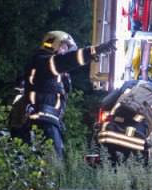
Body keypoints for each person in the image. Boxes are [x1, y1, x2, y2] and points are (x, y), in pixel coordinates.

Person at [17, 30, 114, 159]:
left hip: (44, 120)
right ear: (54, 44)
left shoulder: (44, 66)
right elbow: (67, 60)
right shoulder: (43, 62)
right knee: (55, 162)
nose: (65, 52)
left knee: (47, 160)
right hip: (43, 121)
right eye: (64, 47)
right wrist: (95, 51)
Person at [98, 70, 152, 165]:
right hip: (134, 142)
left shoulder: (131, 84)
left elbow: (105, 103)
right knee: (138, 171)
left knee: (105, 166)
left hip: (107, 134)